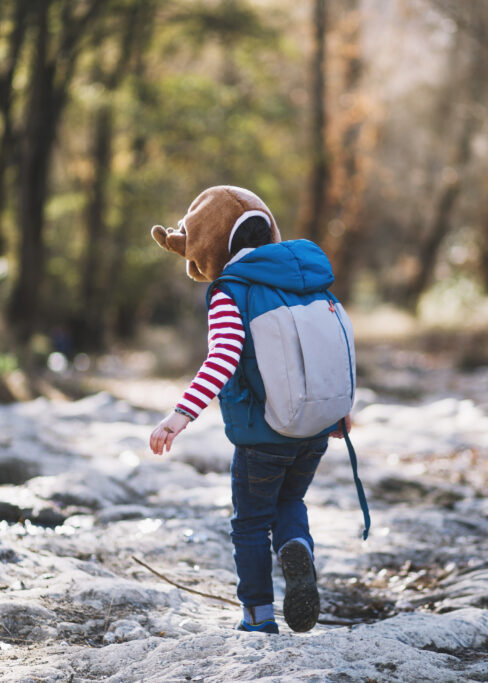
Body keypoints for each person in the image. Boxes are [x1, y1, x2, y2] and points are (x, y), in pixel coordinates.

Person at [148, 186, 351, 635]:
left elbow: (222, 357)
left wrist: (179, 416)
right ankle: (298, 546)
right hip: (315, 428)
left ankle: (258, 618)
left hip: (262, 436)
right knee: (291, 501)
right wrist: (339, 410)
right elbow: (328, 347)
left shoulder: (230, 292)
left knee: (251, 525)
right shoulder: (305, 279)